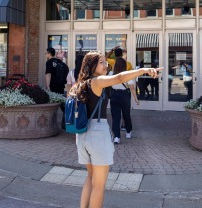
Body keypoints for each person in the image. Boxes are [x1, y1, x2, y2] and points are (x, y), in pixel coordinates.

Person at [69, 51, 161, 208]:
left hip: (82, 135)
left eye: (106, 62)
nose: (106, 65)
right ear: (92, 66)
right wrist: (143, 70)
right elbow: (119, 78)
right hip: (97, 134)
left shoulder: (78, 85)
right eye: (102, 63)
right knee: (99, 184)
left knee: (90, 177)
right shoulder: (96, 82)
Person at [109, 58, 139, 144]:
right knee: (126, 114)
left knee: (115, 117)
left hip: (114, 95)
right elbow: (132, 87)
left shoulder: (111, 74)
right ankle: (128, 132)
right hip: (124, 94)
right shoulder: (127, 75)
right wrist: (136, 99)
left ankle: (117, 137)